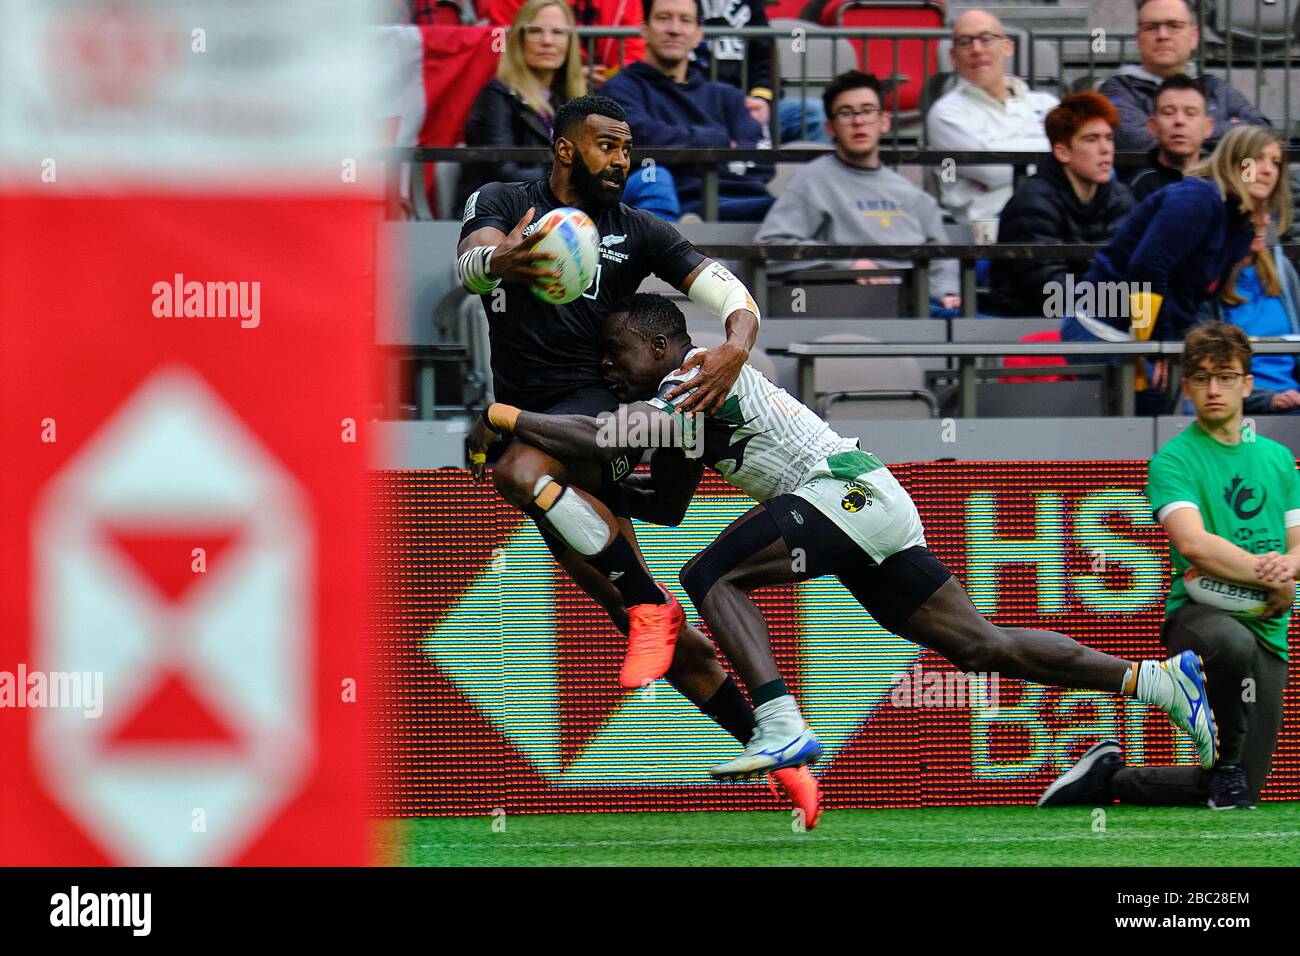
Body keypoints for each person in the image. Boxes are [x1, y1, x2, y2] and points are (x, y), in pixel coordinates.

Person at [484, 292, 1221, 779]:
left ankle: (779, 725)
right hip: (864, 498)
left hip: (843, 490)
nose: (608, 366)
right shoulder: (680, 406)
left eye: (619, 352)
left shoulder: (692, 376)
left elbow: (608, 432)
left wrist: (508, 419)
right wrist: (574, 493)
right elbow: (663, 506)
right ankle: (1156, 679)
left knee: (711, 577)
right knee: (976, 644)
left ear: (660, 344)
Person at [457, 95, 821, 823]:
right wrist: (503, 259)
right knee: (650, 625)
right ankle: (785, 763)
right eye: (607, 146)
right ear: (565, 149)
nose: (621, 159)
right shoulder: (504, 200)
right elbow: (470, 269)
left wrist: (736, 346)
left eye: (627, 147)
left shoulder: (640, 229)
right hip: (552, 433)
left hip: (597, 422)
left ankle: (651, 605)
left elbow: (730, 293)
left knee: (517, 473)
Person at [1040, 323, 1296, 810]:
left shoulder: (1278, 459)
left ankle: (1107, 778)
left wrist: (1287, 573)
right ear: (1186, 387)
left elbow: (1298, 546)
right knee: (1231, 645)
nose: (1213, 389)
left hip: (1269, 624)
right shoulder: (1173, 460)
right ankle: (1228, 768)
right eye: (1201, 378)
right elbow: (1193, 544)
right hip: (1199, 617)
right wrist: (1273, 578)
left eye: (1225, 376)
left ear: (1247, 383)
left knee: (1239, 786)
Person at [1061, 125, 1290, 349]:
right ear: (1233, 162)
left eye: (1275, 162)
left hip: (1144, 333)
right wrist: (1162, 343)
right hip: (1101, 323)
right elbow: (1147, 268)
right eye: (1257, 159)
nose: (1268, 170)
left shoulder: (1242, 227)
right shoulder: (1198, 198)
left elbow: (1191, 294)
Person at [756, 71, 959, 314]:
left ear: (884, 122)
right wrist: (850, 264)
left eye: (867, 111)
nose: (858, 121)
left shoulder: (909, 192)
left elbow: (941, 255)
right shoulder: (812, 181)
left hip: (919, 304)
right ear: (830, 128)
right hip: (853, 302)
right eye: (846, 113)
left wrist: (946, 292)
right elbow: (773, 246)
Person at [601, 0, 775, 222]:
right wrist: (718, 141)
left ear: (698, 34)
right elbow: (641, 140)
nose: (674, 29)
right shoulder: (620, 89)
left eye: (685, 20)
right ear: (644, 29)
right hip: (676, 204)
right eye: (664, 18)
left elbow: (762, 162)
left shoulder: (727, 96)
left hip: (749, 202)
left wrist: (683, 151)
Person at [986, 92, 1134, 318]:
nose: (1105, 149)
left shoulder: (1120, 197)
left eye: (1109, 138)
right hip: (1029, 326)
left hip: (1099, 317)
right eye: (1091, 139)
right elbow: (1050, 291)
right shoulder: (1032, 203)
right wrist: (1123, 303)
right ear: (1062, 152)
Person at [925, 9, 1059, 224]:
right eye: (965, 42)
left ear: (1007, 47)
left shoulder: (1046, 104)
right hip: (990, 230)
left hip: (1055, 218)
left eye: (986, 39)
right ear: (953, 56)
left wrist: (1001, 150)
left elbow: (1075, 155)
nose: (977, 49)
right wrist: (1050, 153)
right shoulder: (945, 113)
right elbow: (993, 171)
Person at [457, 0, 588, 209]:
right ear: (519, 39)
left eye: (557, 32)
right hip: (498, 216)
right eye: (535, 31)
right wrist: (572, 178)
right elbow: (503, 172)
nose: (547, 41)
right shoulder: (497, 95)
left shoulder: (573, 99)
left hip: (557, 211)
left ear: (570, 42)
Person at [1099, 0, 1270, 154]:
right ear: (1138, 39)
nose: (1163, 35)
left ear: (1194, 37)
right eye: (1151, 27)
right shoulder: (1117, 90)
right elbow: (1135, 140)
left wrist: (1182, 135)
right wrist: (1219, 130)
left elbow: (1262, 130)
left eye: (1174, 26)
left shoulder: (1216, 88)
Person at [1203, 231, 1300, 415]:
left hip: (1294, 400)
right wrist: (1268, 400)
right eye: (1252, 213)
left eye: (1264, 212)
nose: (1262, 222)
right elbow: (1206, 370)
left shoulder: (1283, 270)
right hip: (1240, 407)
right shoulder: (1208, 280)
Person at [487, 0, 646, 86]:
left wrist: (611, 77)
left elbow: (633, 51)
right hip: (534, 85)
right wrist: (569, 71)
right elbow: (502, 40)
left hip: (607, 89)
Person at [1128, 74, 1214, 202]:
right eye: (1168, 113)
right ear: (1153, 126)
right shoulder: (1140, 186)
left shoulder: (1220, 181)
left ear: (1208, 127)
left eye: (1190, 113)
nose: (1179, 121)